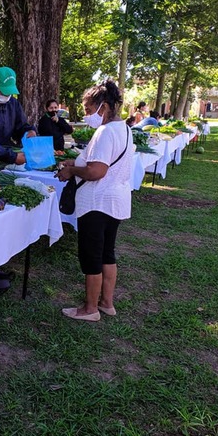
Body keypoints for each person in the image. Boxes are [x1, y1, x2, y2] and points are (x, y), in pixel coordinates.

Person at [55, 80, 134, 321]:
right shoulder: (125, 129)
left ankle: (90, 309)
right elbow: (100, 162)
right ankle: (106, 303)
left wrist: (71, 171)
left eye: (89, 110)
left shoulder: (105, 132)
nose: (87, 115)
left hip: (97, 203)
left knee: (91, 256)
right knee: (107, 253)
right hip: (115, 201)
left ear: (105, 107)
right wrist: (76, 163)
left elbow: (97, 171)